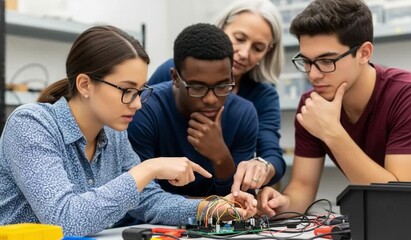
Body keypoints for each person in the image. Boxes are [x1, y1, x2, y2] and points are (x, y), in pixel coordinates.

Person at [0, 25, 257, 237]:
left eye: (141, 91)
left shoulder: (113, 132)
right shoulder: (31, 125)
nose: (136, 103)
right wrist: (149, 168)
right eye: (126, 91)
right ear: (85, 84)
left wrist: (211, 209)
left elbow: (148, 200)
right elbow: (65, 221)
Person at [257, 0, 411, 217]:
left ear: (364, 53)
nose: (313, 75)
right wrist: (281, 203)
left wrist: (331, 132)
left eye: (326, 61)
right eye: (306, 61)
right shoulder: (313, 104)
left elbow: (399, 201)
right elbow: (302, 188)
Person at [148, 0, 286, 193]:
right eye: (239, 38)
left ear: (268, 52)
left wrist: (261, 166)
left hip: (221, 198)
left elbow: (272, 154)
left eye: (258, 48)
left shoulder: (259, 98)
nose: (244, 53)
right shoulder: (176, 74)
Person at [127, 23, 258, 197]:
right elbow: (140, 197)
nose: (211, 99)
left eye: (222, 85)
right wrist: (204, 207)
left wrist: (221, 157)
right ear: (175, 78)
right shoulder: (143, 110)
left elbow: (239, 201)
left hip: (213, 221)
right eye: (197, 87)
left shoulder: (243, 114)